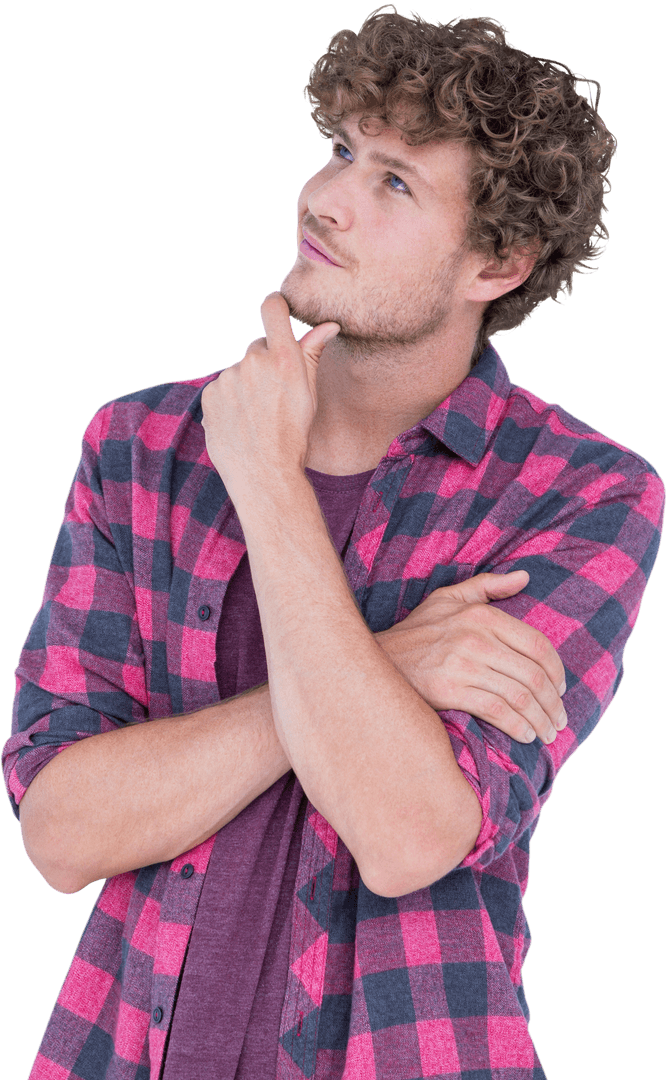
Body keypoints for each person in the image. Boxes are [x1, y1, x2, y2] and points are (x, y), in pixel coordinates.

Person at [3, 6, 664, 1079]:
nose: (325, 200)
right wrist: (394, 661)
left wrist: (267, 483)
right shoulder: (144, 447)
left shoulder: (581, 495)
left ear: (495, 261)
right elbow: (61, 834)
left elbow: (410, 835)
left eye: (394, 182)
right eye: (340, 151)